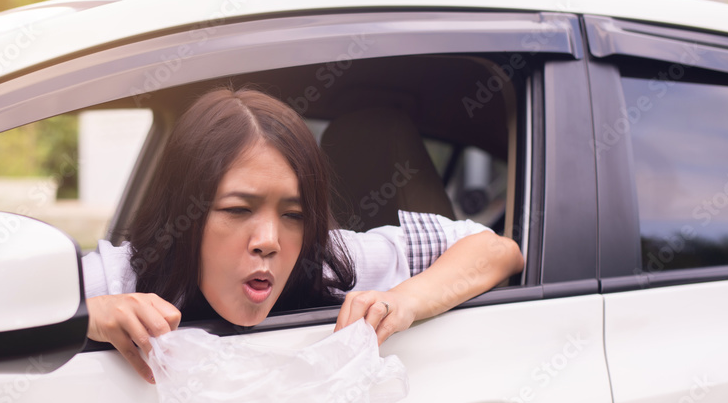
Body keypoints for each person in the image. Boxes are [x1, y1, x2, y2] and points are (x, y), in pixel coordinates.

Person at [82, 87, 524, 383]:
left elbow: (495, 250)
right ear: (185, 210)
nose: (269, 240)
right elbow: (17, 305)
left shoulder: (332, 261)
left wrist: (404, 300)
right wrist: (86, 315)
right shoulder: (119, 277)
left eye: (294, 214)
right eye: (238, 210)